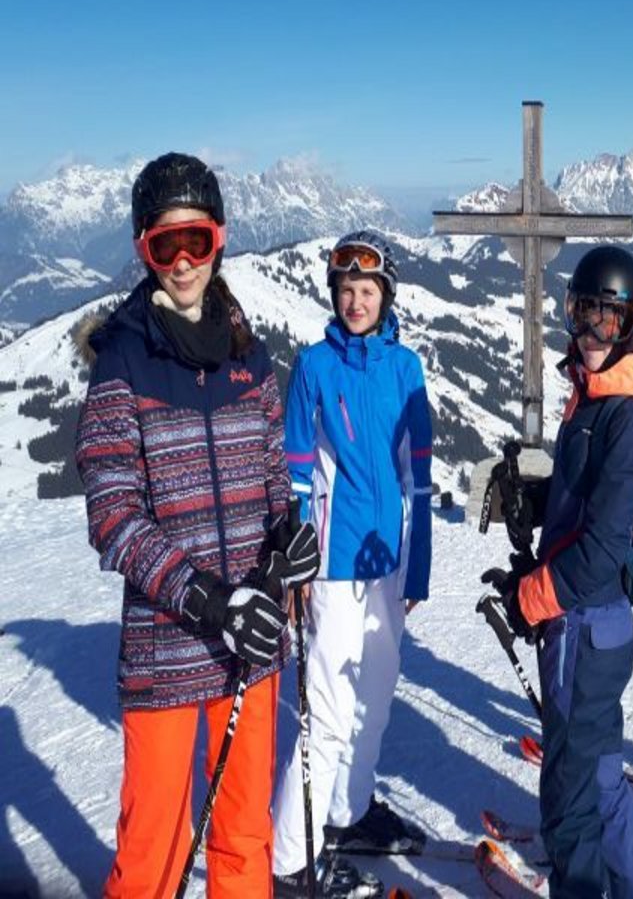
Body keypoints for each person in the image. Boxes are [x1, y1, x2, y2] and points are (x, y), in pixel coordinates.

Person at [76, 152, 318, 897]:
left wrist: (289, 540)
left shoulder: (251, 358)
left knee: (244, 832)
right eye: (165, 246)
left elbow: (273, 479)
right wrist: (209, 601)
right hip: (168, 645)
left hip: (253, 640)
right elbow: (113, 514)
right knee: (154, 846)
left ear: (221, 239)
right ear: (143, 249)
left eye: (197, 242)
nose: (183, 262)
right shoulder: (122, 361)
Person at [483, 245, 633, 898]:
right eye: (581, 312)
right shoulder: (597, 396)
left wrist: (528, 598)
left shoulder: (626, 415)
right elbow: (584, 504)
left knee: (568, 801)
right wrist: (534, 501)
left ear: (631, 324)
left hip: (586, 627)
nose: (591, 330)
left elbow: (600, 549)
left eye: (607, 318)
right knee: (598, 778)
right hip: (590, 625)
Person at [271, 230, 434, 899]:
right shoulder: (315, 366)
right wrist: (298, 566)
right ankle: (292, 860)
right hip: (333, 567)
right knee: (330, 714)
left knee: (374, 700)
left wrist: (418, 566)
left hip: (388, 566)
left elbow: (418, 477)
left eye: (367, 289)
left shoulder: (405, 368)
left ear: (385, 295)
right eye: (346, 289)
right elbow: (295, 474)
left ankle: (348, 812)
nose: (356, 300)